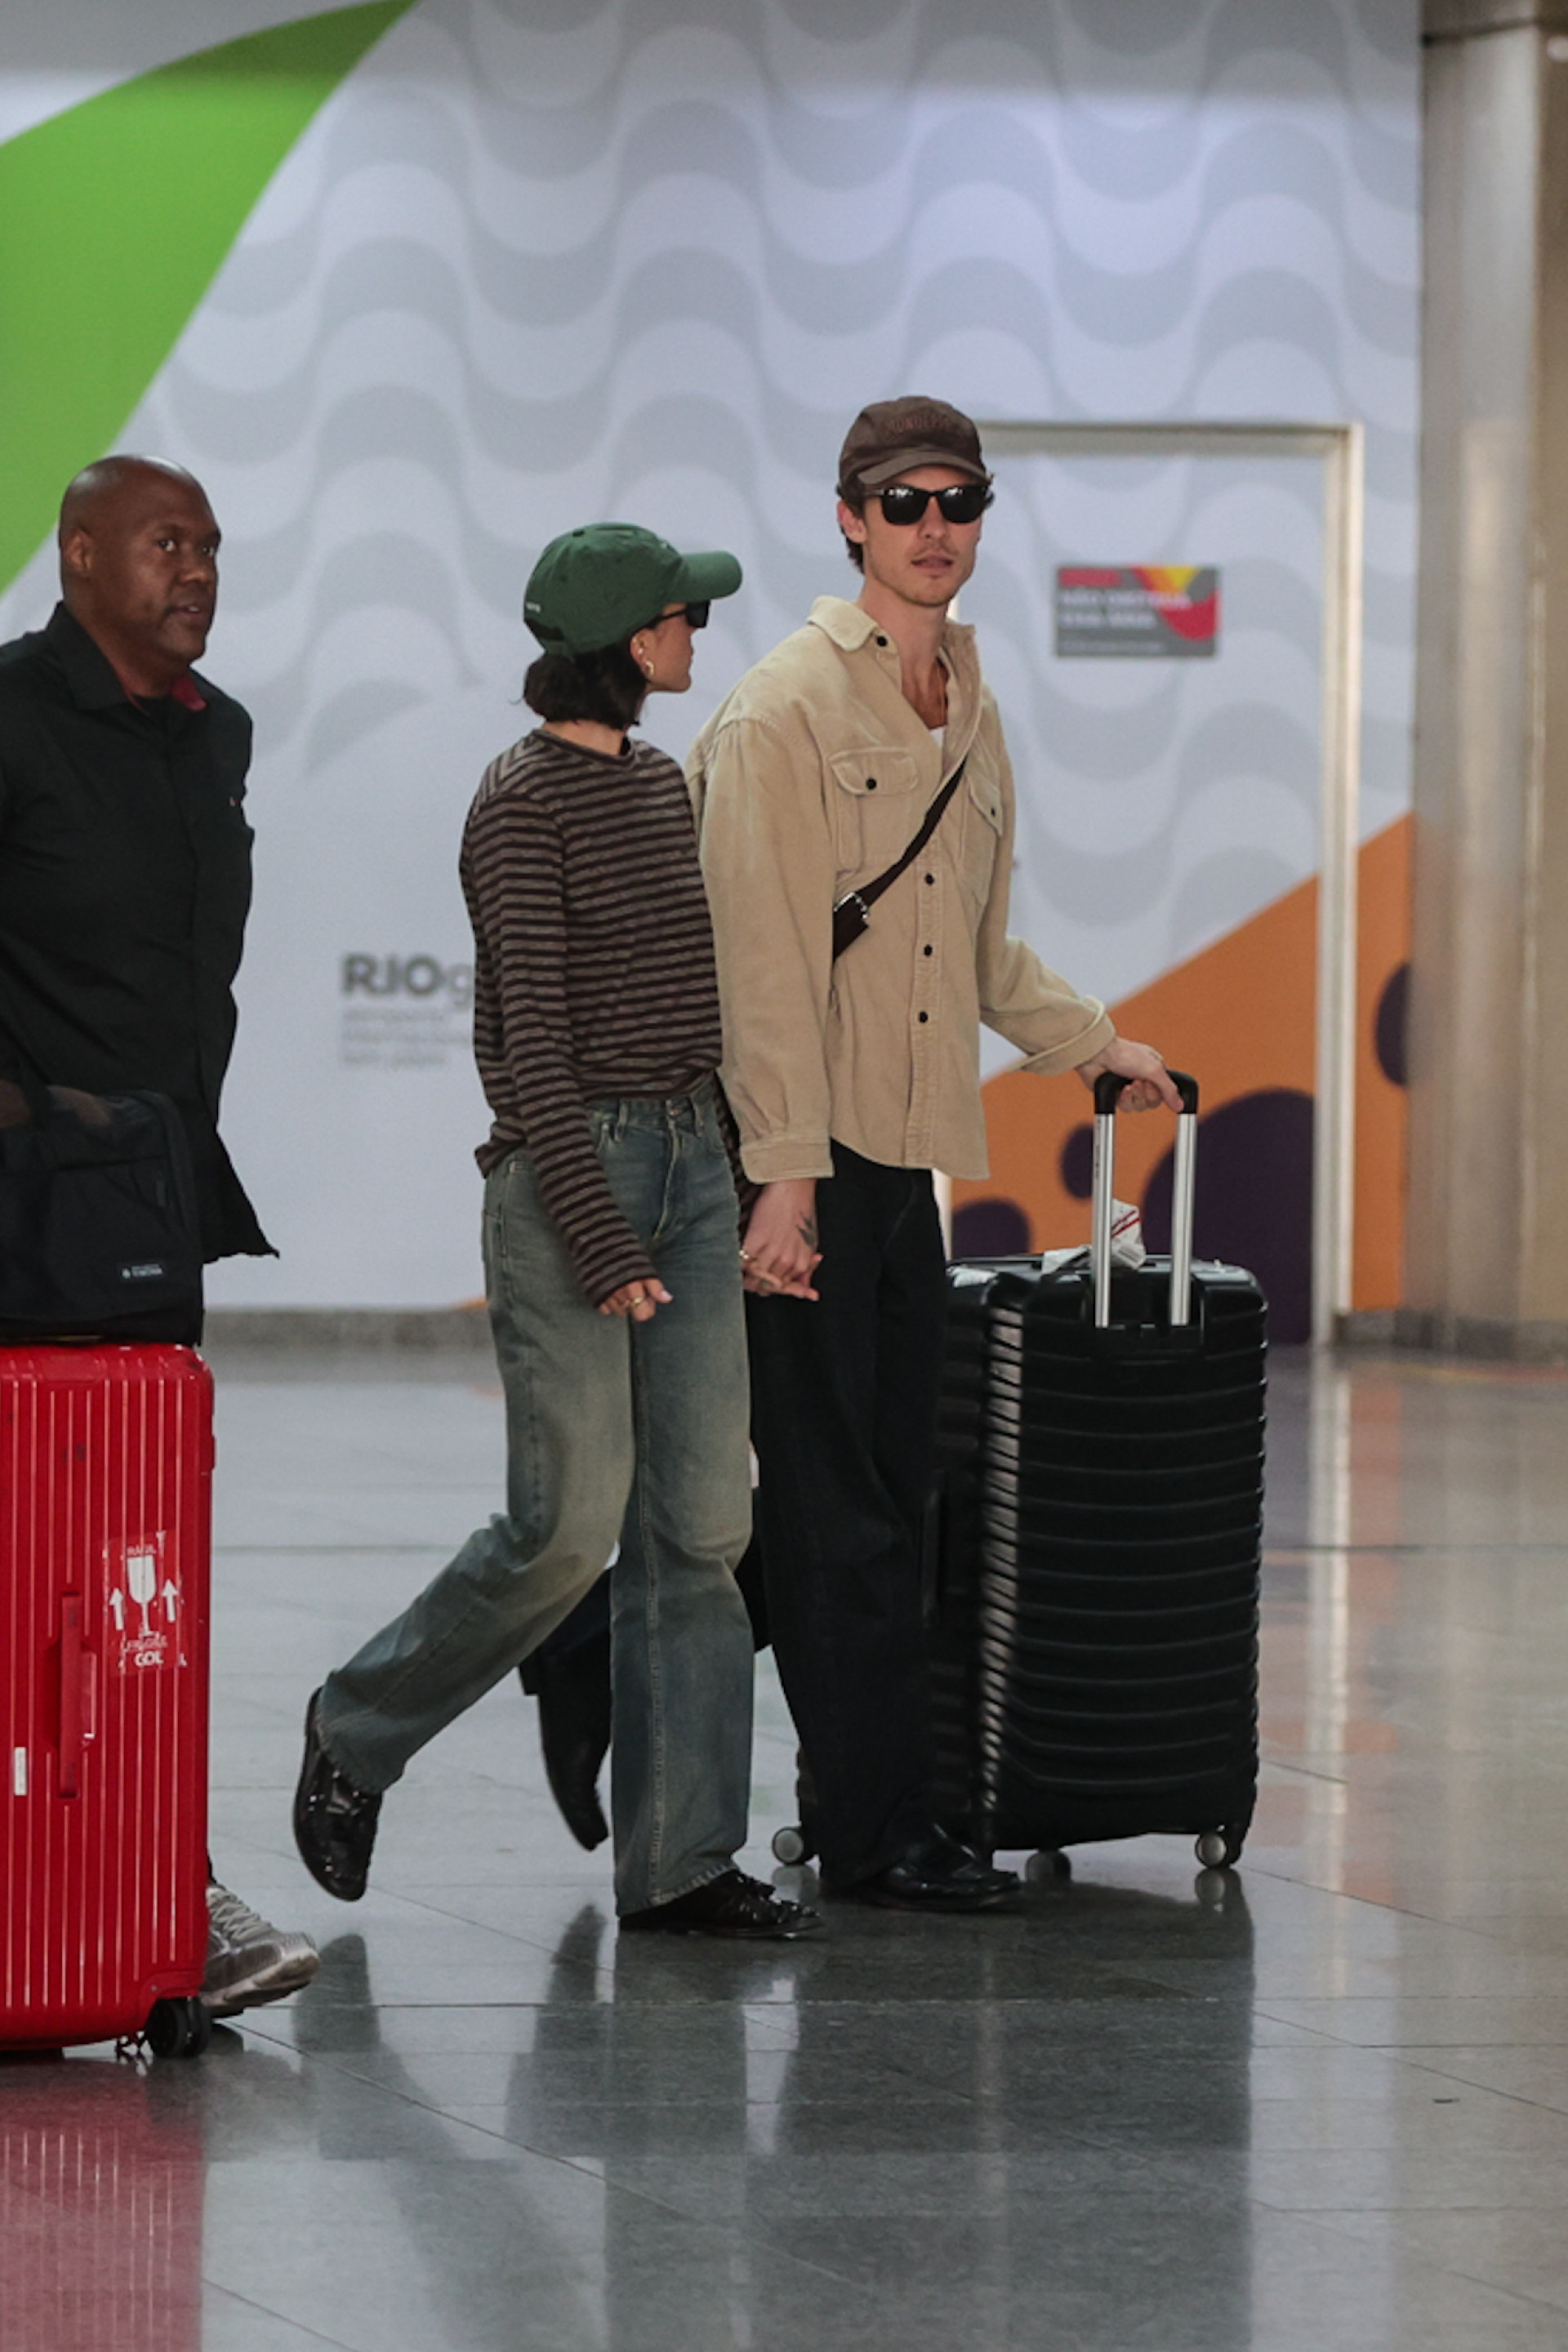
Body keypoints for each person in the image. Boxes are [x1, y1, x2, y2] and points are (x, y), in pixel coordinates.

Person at [689, 396, 1182, 1911]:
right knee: (835, 1508)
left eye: (960, 501)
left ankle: (854, 1791)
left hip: (907, 1159)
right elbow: (756, 965)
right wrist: (781, 1175)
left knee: (896, 1496)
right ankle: (874, 1834)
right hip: (805, 1157)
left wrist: (1091, 1040)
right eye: (904, 502)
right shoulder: (782, 709)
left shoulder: (967, 698)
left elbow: (974, 946)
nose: (934, 527)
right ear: (849, 517)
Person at [292, 523, 817, 1940]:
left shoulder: (657, 782)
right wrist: (603, 1235)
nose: (693, 638)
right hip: (570, 1177)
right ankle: (356, 1724)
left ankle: (683, 1862)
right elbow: (525, 1043)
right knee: (566, 1526)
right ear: (624, 640)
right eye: (676, 618)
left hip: (694, 1165)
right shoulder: (519, 800)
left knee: (704, 1528)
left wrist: (750, 1179)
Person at [0, 454, 319, 2017]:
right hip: (17, 1218)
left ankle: (150, 1889)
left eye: (208, 545)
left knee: (138, 1588)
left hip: (151, 1220)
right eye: (163, 543)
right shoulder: (6, 715)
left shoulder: (219, 737)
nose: (195, 569)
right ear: (75, 559)